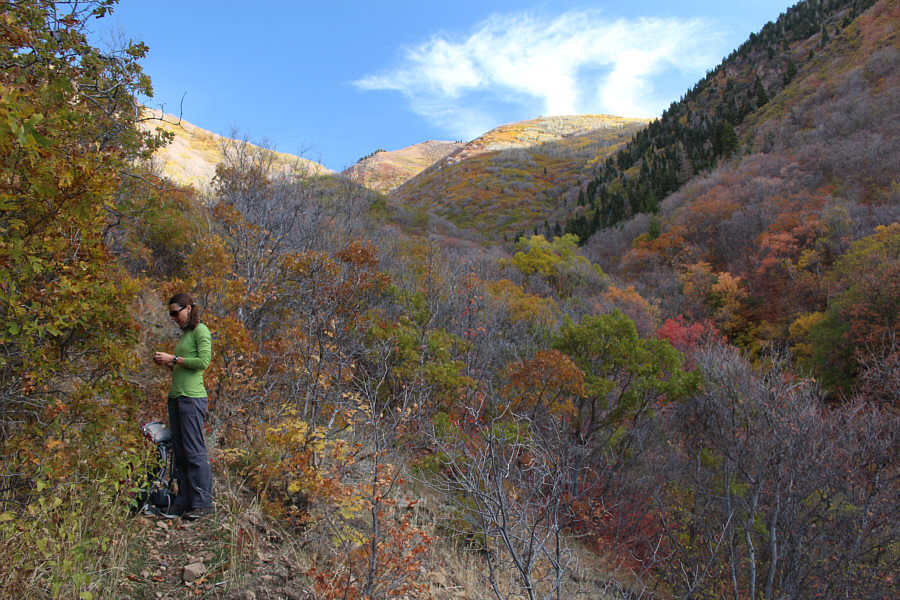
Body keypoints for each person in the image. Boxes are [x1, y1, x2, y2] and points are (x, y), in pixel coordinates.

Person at [153, 293, 214, 520]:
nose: (172, 318)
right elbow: (182, 366)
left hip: (192, 397)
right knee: (180, 451)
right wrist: (168, 362)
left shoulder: (201, 331)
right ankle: (184, 501)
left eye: (175, 313)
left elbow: (203, 363)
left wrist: (174, 359)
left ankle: (203, 502)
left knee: (194, 449)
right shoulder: (186, 335)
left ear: (188, 308)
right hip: (177, 397)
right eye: (170, 314)